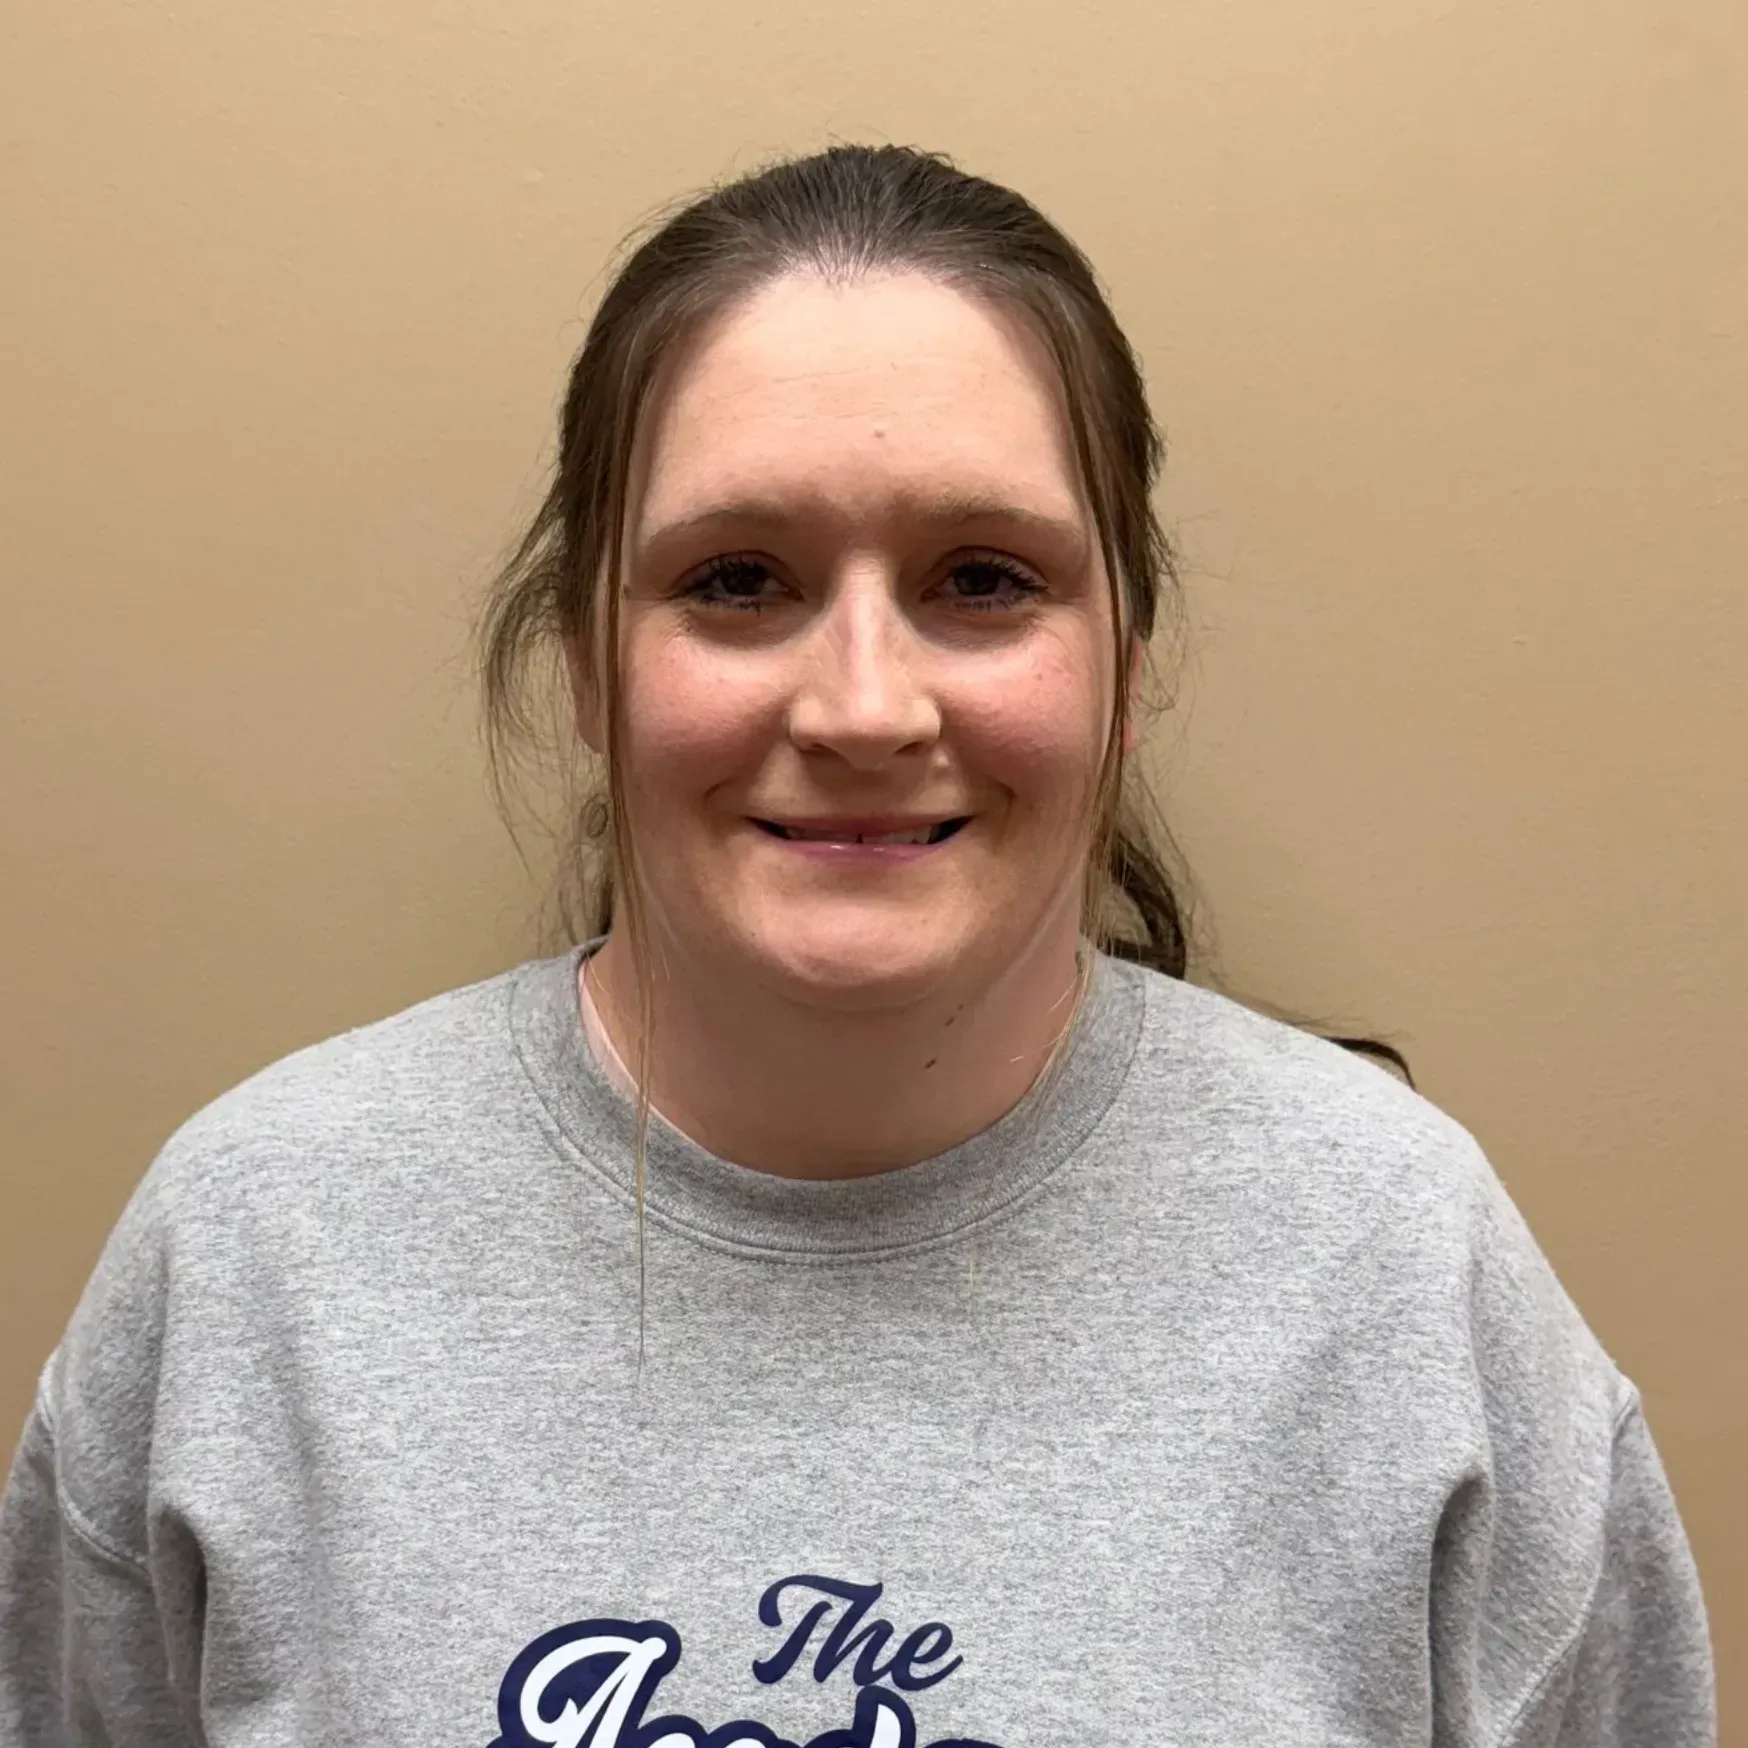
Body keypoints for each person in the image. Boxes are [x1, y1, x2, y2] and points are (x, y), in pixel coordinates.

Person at [0, 144, 1714, 1747]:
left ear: (1130, 661)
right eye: (739, 580)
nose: (867, 706)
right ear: (590, 665)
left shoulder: (1404, 1272)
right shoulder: (252, 1256)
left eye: (983, 578)